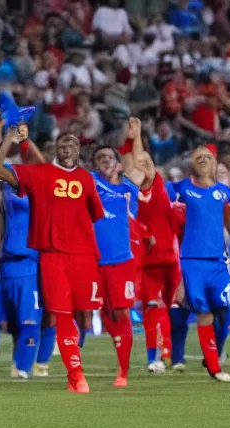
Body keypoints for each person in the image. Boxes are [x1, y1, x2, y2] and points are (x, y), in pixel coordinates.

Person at [0, 122, 105, 394]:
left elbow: (96, 215)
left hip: (84, 255)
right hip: (52, 256)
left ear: (79, 150)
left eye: (71, 143)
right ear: (54, 149)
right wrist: (9, 139)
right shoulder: (39, 174)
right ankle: (76, 373)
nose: (66, 147)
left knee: (84, 317)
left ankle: (70, 362)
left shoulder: (87, 179)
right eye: (61, 143)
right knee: (61, 316)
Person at [170, 144, 230, 383]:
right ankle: (214, 367)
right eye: (199, 157)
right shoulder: (181, 189)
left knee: (224, 306)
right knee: (203, 312)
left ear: (215, 165)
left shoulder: (225, 194)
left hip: (218, 262)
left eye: (208, 157)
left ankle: (216, 348)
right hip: (192, 263)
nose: (204, 160)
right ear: (190, 165)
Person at [0, 128, 55, 379]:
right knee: (13, 321)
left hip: (34, 257)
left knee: (38, 315)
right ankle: (23, 361)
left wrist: (25, 139)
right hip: (8, 258)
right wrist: (5, 139)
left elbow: (40, 164)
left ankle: (32, 364)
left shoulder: (45, 185)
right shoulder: (9, 186)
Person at [121, 118, 178, 373]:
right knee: (154, 308)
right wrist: (131, 140)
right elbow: (130, 165)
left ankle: (173, 354)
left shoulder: (157, 187)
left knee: (173, 307)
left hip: (168, 257)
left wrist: (137, 139)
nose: (143, 166)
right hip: (150, 258)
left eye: (148, 163)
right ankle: (158, 357)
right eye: (139, 163)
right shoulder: (134, 193)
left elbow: (139, 163)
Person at [88, 141, 139, 389]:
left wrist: (134, 137)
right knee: (104, 313)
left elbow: (141, 166)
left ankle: (123, 370)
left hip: (122, 261)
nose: (105, 161)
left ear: (119, 164)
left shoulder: (131, 189)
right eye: (100, 158)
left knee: (122, 311)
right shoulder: (90, 183)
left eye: (109, 157)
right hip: (94, 261)